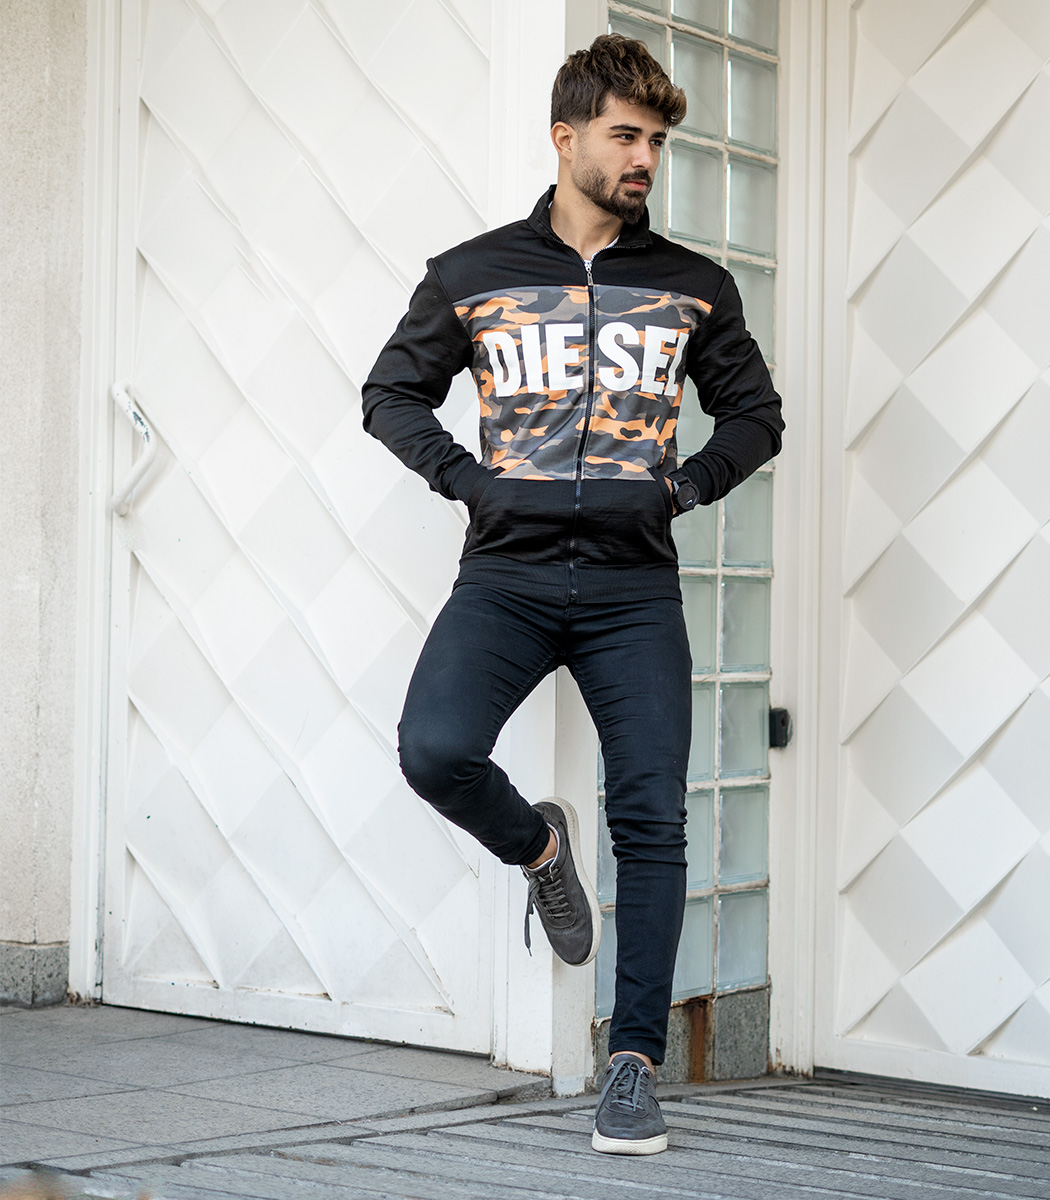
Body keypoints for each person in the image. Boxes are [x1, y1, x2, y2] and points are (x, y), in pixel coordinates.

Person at [362, 33, 783, 1155]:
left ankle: (632, 1064)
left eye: (657, 141)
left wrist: (683, 486)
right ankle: (541, 854)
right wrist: (472, 482)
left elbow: (757, 417)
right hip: (506, 573)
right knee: (434, 750)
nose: (645, 158)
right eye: (625, 135)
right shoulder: (472, 273)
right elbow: (391, 394)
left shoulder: (694, 286)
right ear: (566, 137)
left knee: (650, 816)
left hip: (632, 588)